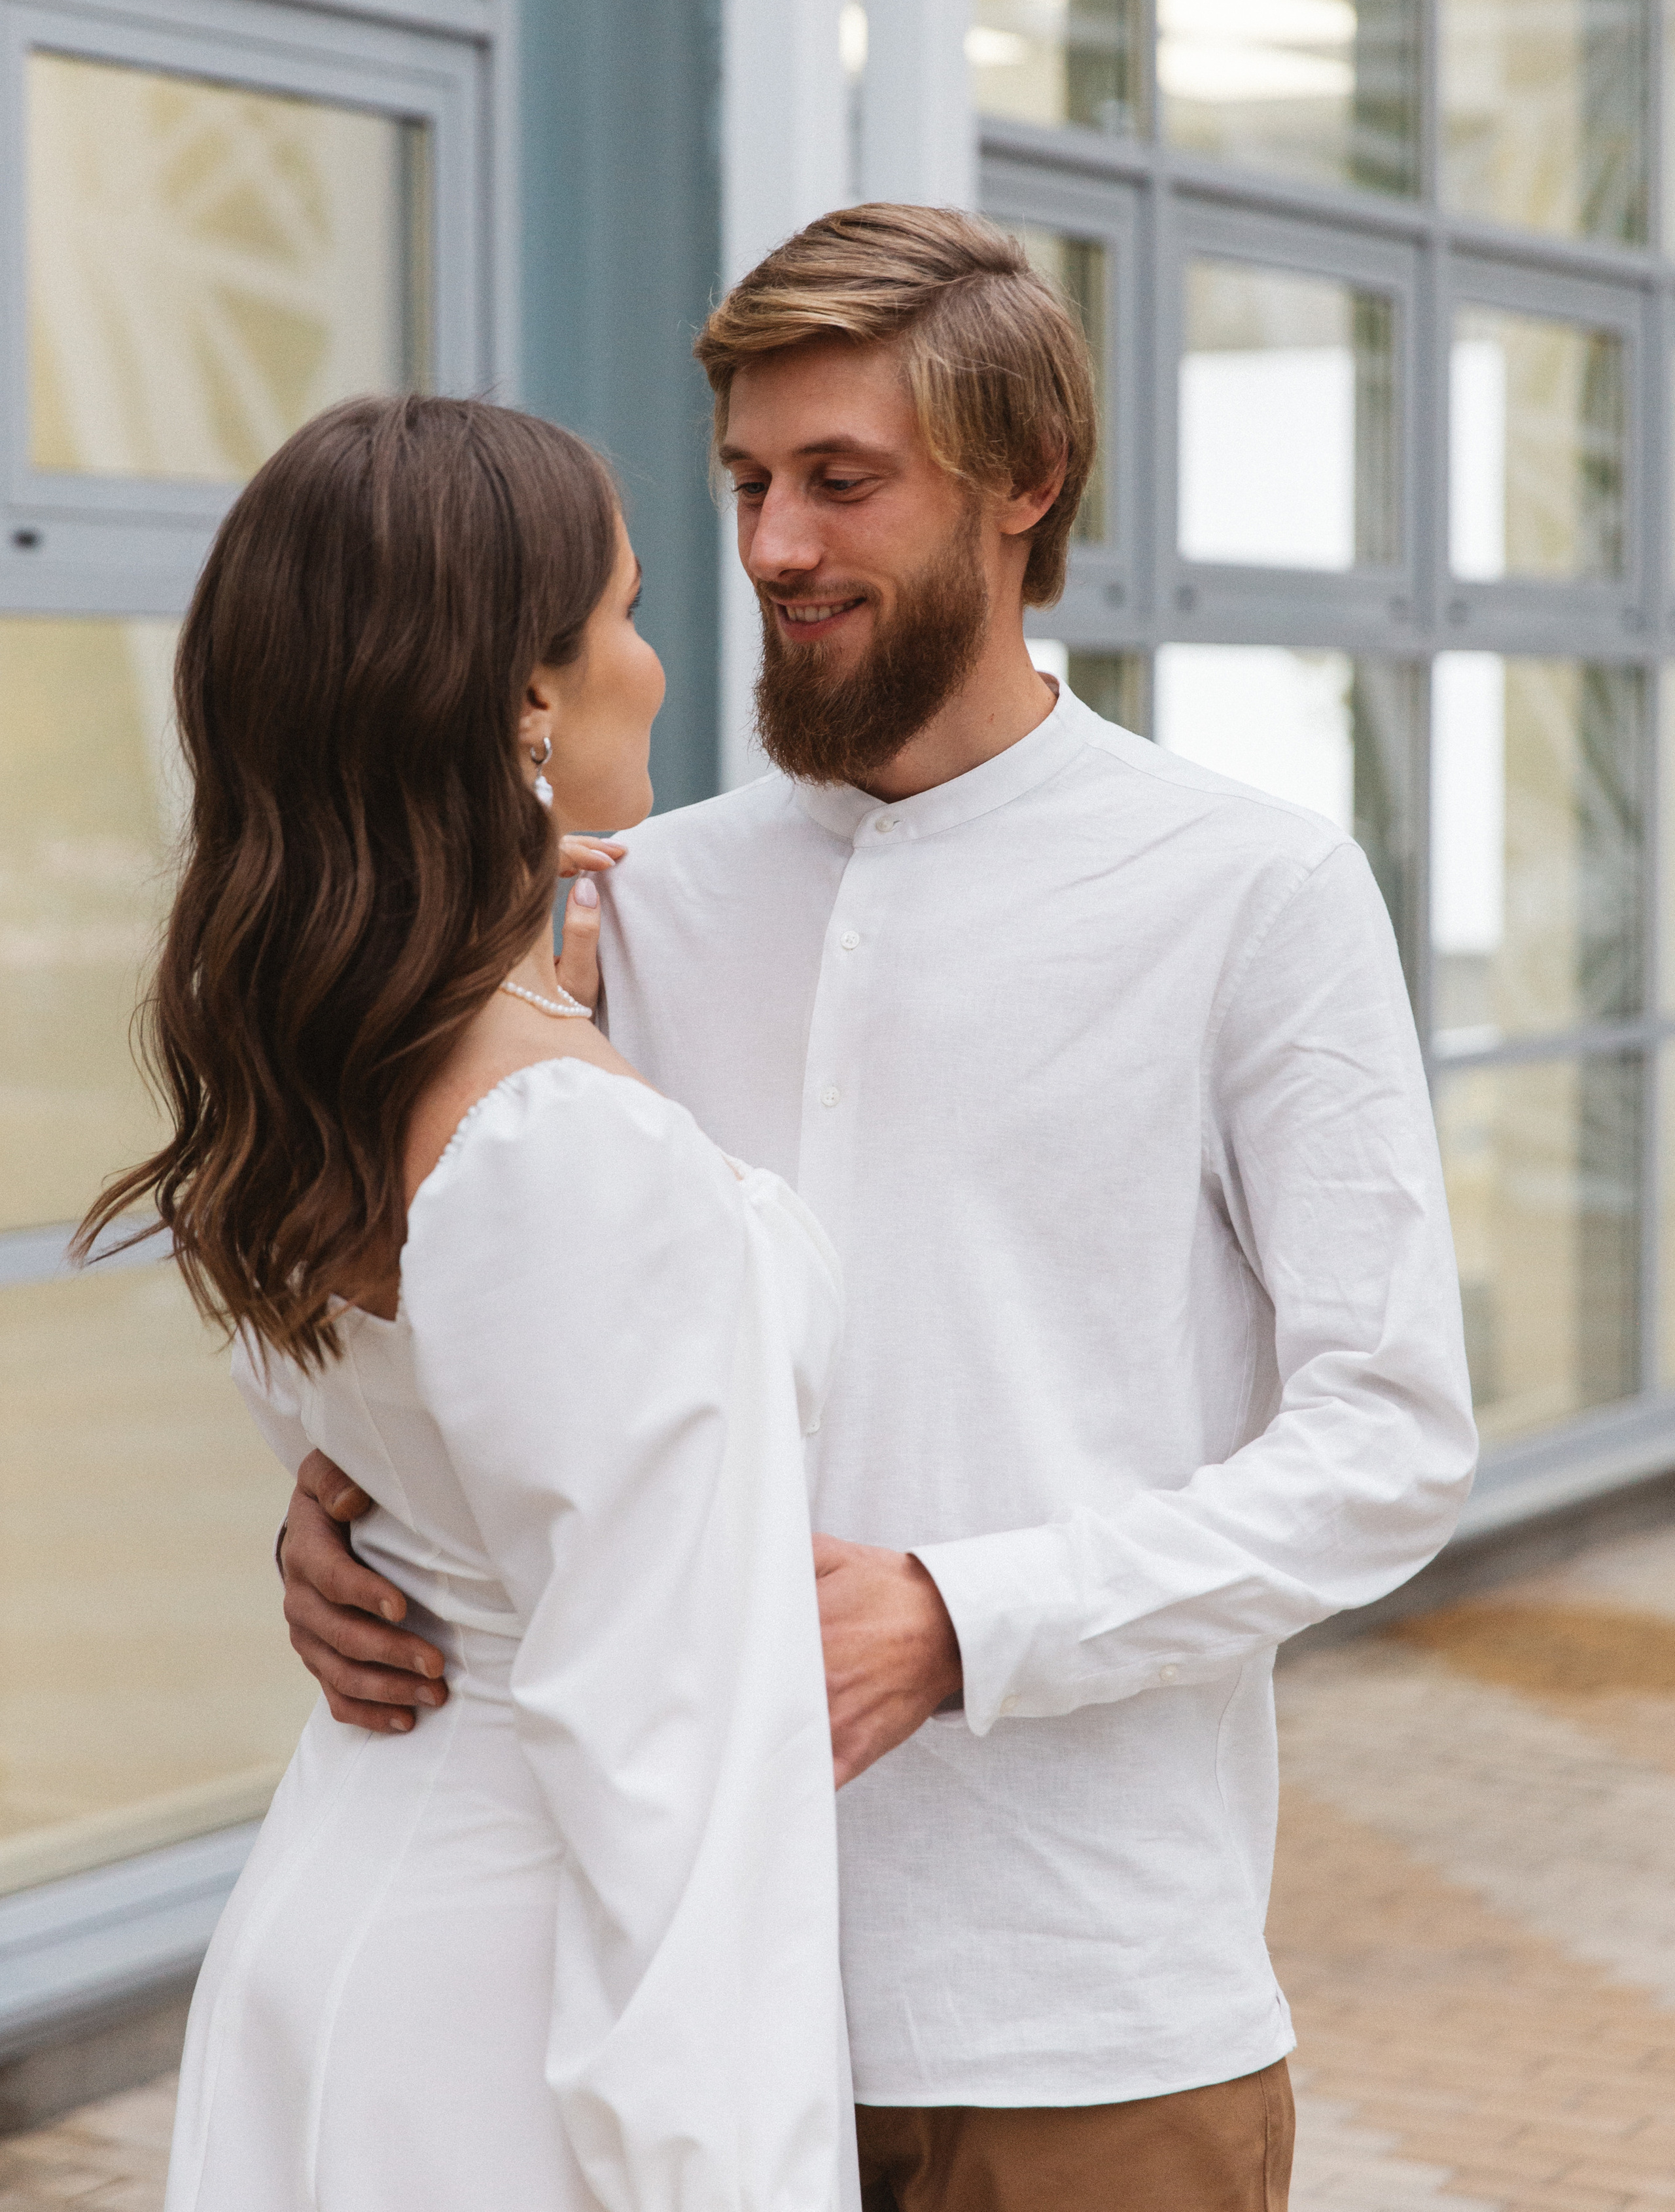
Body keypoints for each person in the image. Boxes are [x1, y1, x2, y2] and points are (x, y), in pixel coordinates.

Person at [279, 207, 1479, 2212]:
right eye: (748, 483)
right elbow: (527, 1325)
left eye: (844, 483)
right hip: (658, 1998)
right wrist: (344, 1521)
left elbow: (1388, 1445)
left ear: (1026, 486)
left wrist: (955, 1619)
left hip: (1087, 2020)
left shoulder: (1252, 892)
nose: (773, 548)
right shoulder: (634, 893)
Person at [80, 396, 858, 2212]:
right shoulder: (559, 1144)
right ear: (526, 699)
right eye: (630, 613)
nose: (663, 666)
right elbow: (673, 1757)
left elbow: (418, 1450)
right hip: (528, 2002)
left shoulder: (327, 1061)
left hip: (354, 1894)